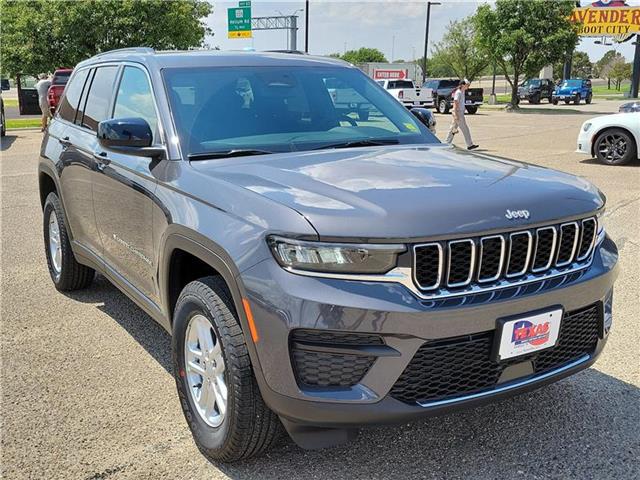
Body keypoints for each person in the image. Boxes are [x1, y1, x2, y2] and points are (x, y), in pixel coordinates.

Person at [445, 79, 478, 150]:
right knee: (465, 129)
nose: (468, 86)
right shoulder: (458, 92)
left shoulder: (462, 92)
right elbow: (455, 103)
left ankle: (447, 143)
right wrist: (456, 114)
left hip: (460, 112)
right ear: (463, 85)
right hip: (458, 112)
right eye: (467, 85)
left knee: (453, 129)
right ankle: (469, 145)